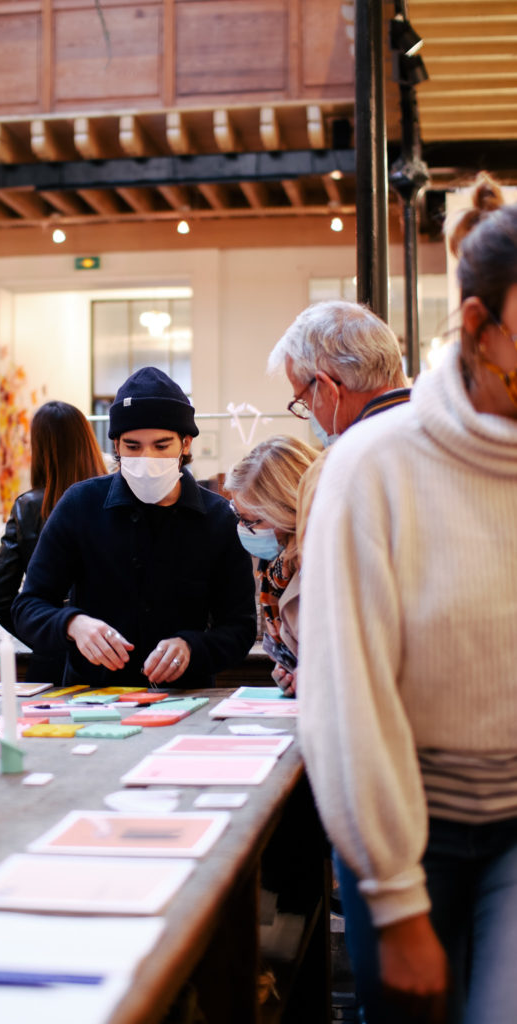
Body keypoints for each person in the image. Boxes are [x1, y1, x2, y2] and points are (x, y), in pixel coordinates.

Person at [298, 175, 517, 1023]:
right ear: (476, 325)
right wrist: (394, 900)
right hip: (403, 827)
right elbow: (344, 698)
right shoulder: (375, 466)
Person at [12, 366, 257, 689]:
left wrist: (191, 647)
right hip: (95, 698)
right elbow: (28, 605)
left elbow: (239, 627)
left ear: (185, 444)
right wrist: (73, 623)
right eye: (133, 446)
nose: (146, 458)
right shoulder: (80, 505)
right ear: (116, 445)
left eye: (161, 445)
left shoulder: (218, 518)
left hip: (185, 696)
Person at [267, 299, 411, 553]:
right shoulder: (459, 434)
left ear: (325, 388)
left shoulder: (334, 472)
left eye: (304, 400)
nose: (309, 413)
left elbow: (326, 588)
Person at [0, 400, 107, 682]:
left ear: (40, 449)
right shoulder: (112, 499)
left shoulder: (29, 507)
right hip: (111, 653)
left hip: (51, 659)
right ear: (87, 440)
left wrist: (43, 635)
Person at [224, 436, 318, 695]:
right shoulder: (276, 568)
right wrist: (290, 671)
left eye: (252, 521)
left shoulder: (327, 559)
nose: (243, 529)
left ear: (287, 511)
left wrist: (317, 674)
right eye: (238, 517)